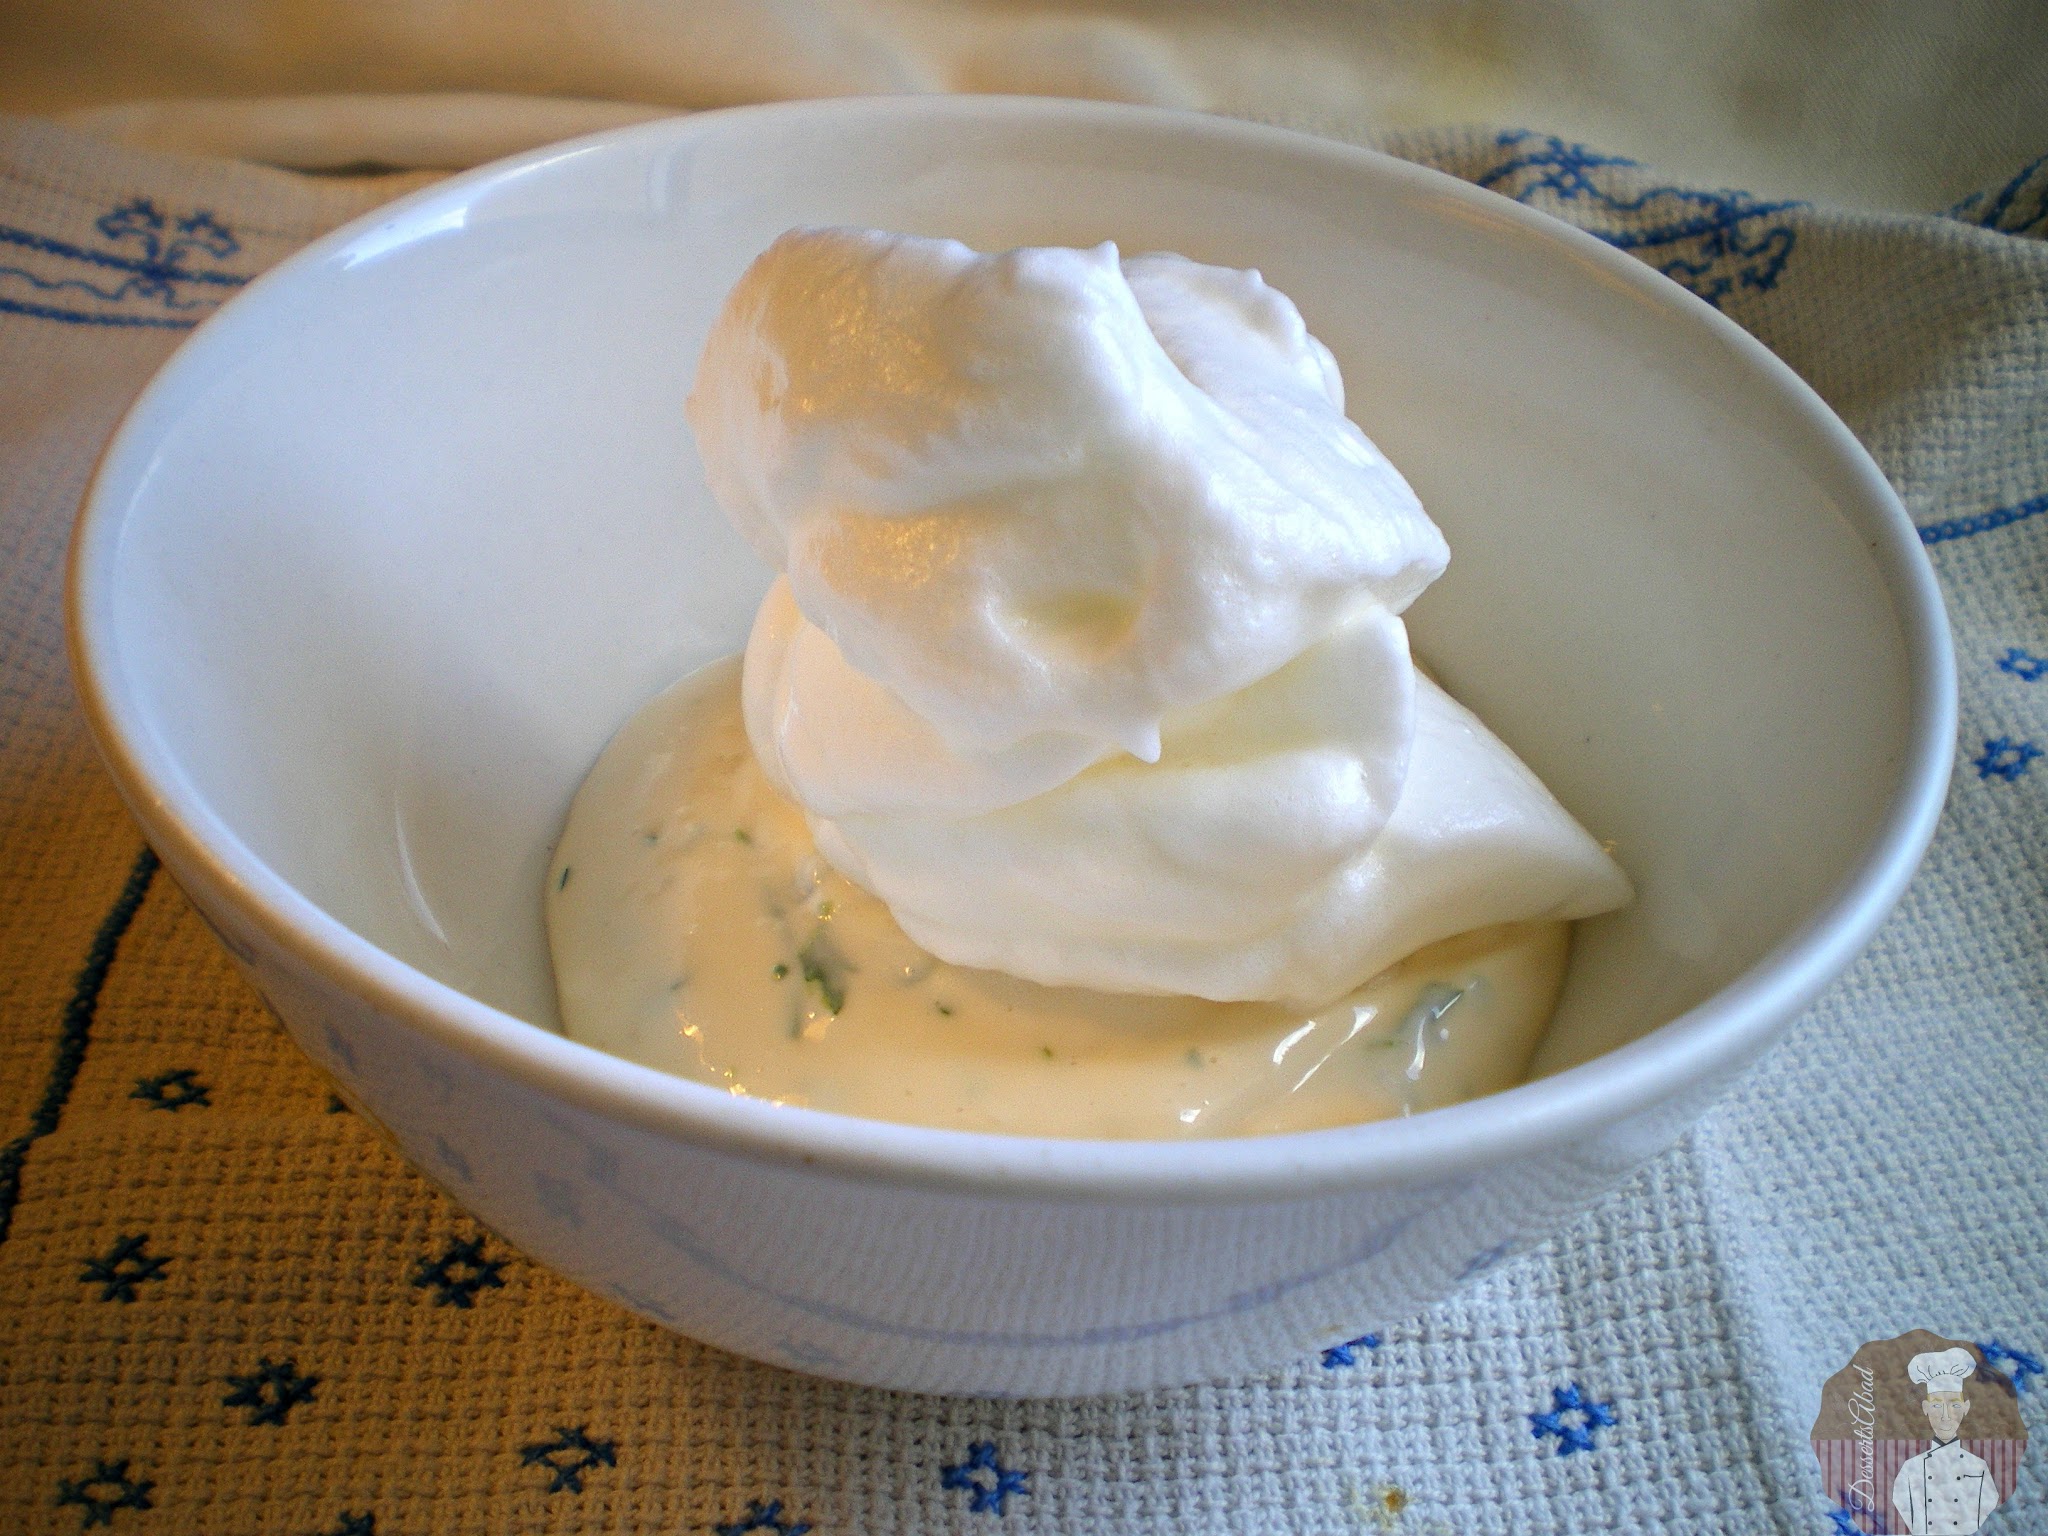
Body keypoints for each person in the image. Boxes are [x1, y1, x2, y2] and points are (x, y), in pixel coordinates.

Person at [1892, 1348, 2000, 1533]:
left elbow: (1989, 1506)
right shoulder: (1911, 1467)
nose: (1945, 1415)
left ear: (1965, 1407)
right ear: (1925, 1408)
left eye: (1954, 1405)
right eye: (1936, 1405)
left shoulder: (1978, 1466)